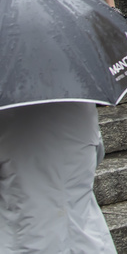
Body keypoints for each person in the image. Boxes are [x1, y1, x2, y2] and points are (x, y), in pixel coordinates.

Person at [0, 101, 116, 253]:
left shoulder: (5, 113)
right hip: (87, 238)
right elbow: (96, 154)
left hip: (25, 238)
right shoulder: (81, 104)